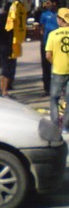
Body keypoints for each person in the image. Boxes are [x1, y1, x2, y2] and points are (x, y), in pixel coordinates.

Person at [45, 7, 69, 135]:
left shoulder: (53, 34)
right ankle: (66, 127)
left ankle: (54, 127)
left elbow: (48, 55)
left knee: (54, 99)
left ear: (60, 19)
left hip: (59, 71)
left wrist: (55, 63)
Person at [0, 2, 17, 98]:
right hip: (9, 47)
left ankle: (1, 90)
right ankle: (5, 91)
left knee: (2, 69)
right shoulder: (12, 20)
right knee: (8, 69)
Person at [38, 0, 59, 95]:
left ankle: (59, 87)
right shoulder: (44, 14)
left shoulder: (60, 14)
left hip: (58, 43)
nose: (46, 4)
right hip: (46, 43)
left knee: (58, 66)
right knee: (46, 66)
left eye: (48, 3)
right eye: (46, 3)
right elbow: (41, 28)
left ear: (54, 3)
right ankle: (47, 88)